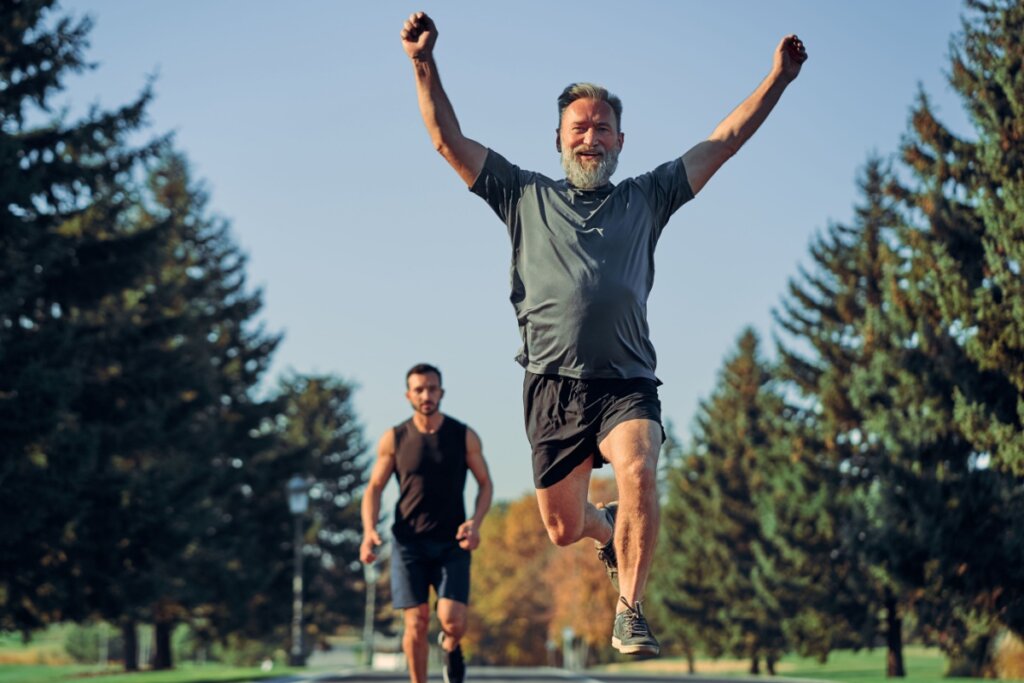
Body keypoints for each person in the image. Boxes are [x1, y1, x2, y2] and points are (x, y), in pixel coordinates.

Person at [399, 11, 807, 657]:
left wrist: (778, 78)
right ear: (559, 139)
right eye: (578, 127)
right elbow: (448, 141)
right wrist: (423, 61)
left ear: (621, 140)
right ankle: (606, 528)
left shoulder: (650, 195)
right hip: (551, 385)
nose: (590, 136)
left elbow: (724, 140)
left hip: (627, 381)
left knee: (640, 468)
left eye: (602, 127)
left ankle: (630, 608)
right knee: (564, 527)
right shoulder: (521, 193)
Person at [361, 364, 493, 683]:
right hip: (409, 544)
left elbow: (485, 483)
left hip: (452, 543)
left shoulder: (463, 435)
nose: (426, 395)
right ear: (409, 395)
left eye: (432, 388)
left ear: (441, 392)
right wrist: (368, 532)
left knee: (453, 620)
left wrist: (475, 523)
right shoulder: (394, 438)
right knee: (416, 622)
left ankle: (450, 645)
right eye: (419, 389)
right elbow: (374, 488)